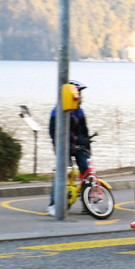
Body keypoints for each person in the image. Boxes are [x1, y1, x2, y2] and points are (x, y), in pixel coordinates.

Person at [48, 80, 90, 216]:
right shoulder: (58, 111)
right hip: (64, 146)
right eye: (79, 93)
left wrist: (87, 147)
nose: (81, 97)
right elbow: (53, 131)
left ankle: (88, 203)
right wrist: (59, 148)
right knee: (62, 173)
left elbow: (84, 130)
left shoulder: (80, 111)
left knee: (87, 171)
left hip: (79, 145)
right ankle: (54, 203)